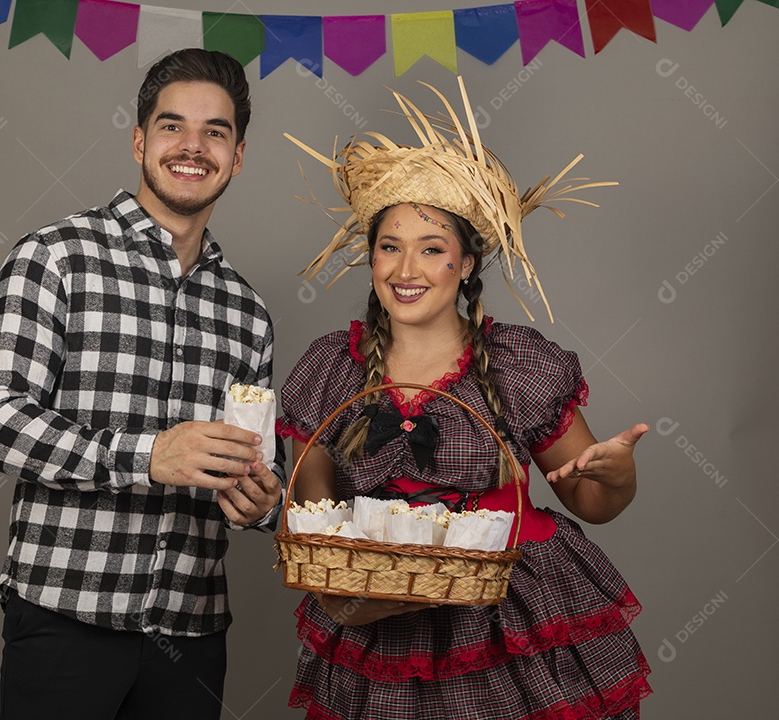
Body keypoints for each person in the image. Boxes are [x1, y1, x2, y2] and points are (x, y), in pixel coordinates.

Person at [276, 78, 652, 719]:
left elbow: (592, 500)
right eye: (389, 248)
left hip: (510, 619)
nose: (406, 270)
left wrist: (616, 476)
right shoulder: (329, 371)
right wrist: (348, 591)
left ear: (468, 264)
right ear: (370, 259)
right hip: (379, 627)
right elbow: (310, 523)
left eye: (432, 250)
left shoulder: (517, 363)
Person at [0, 48, 283, 720]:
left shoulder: (247, 312)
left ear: (239, 155)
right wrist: (145, 457)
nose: (192, 147)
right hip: (64, 619)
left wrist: (262, 504)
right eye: (172, 127)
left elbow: (258, 469)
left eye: (215, 132)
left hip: (192, 632)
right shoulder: (55, 257)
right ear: (140, 140)